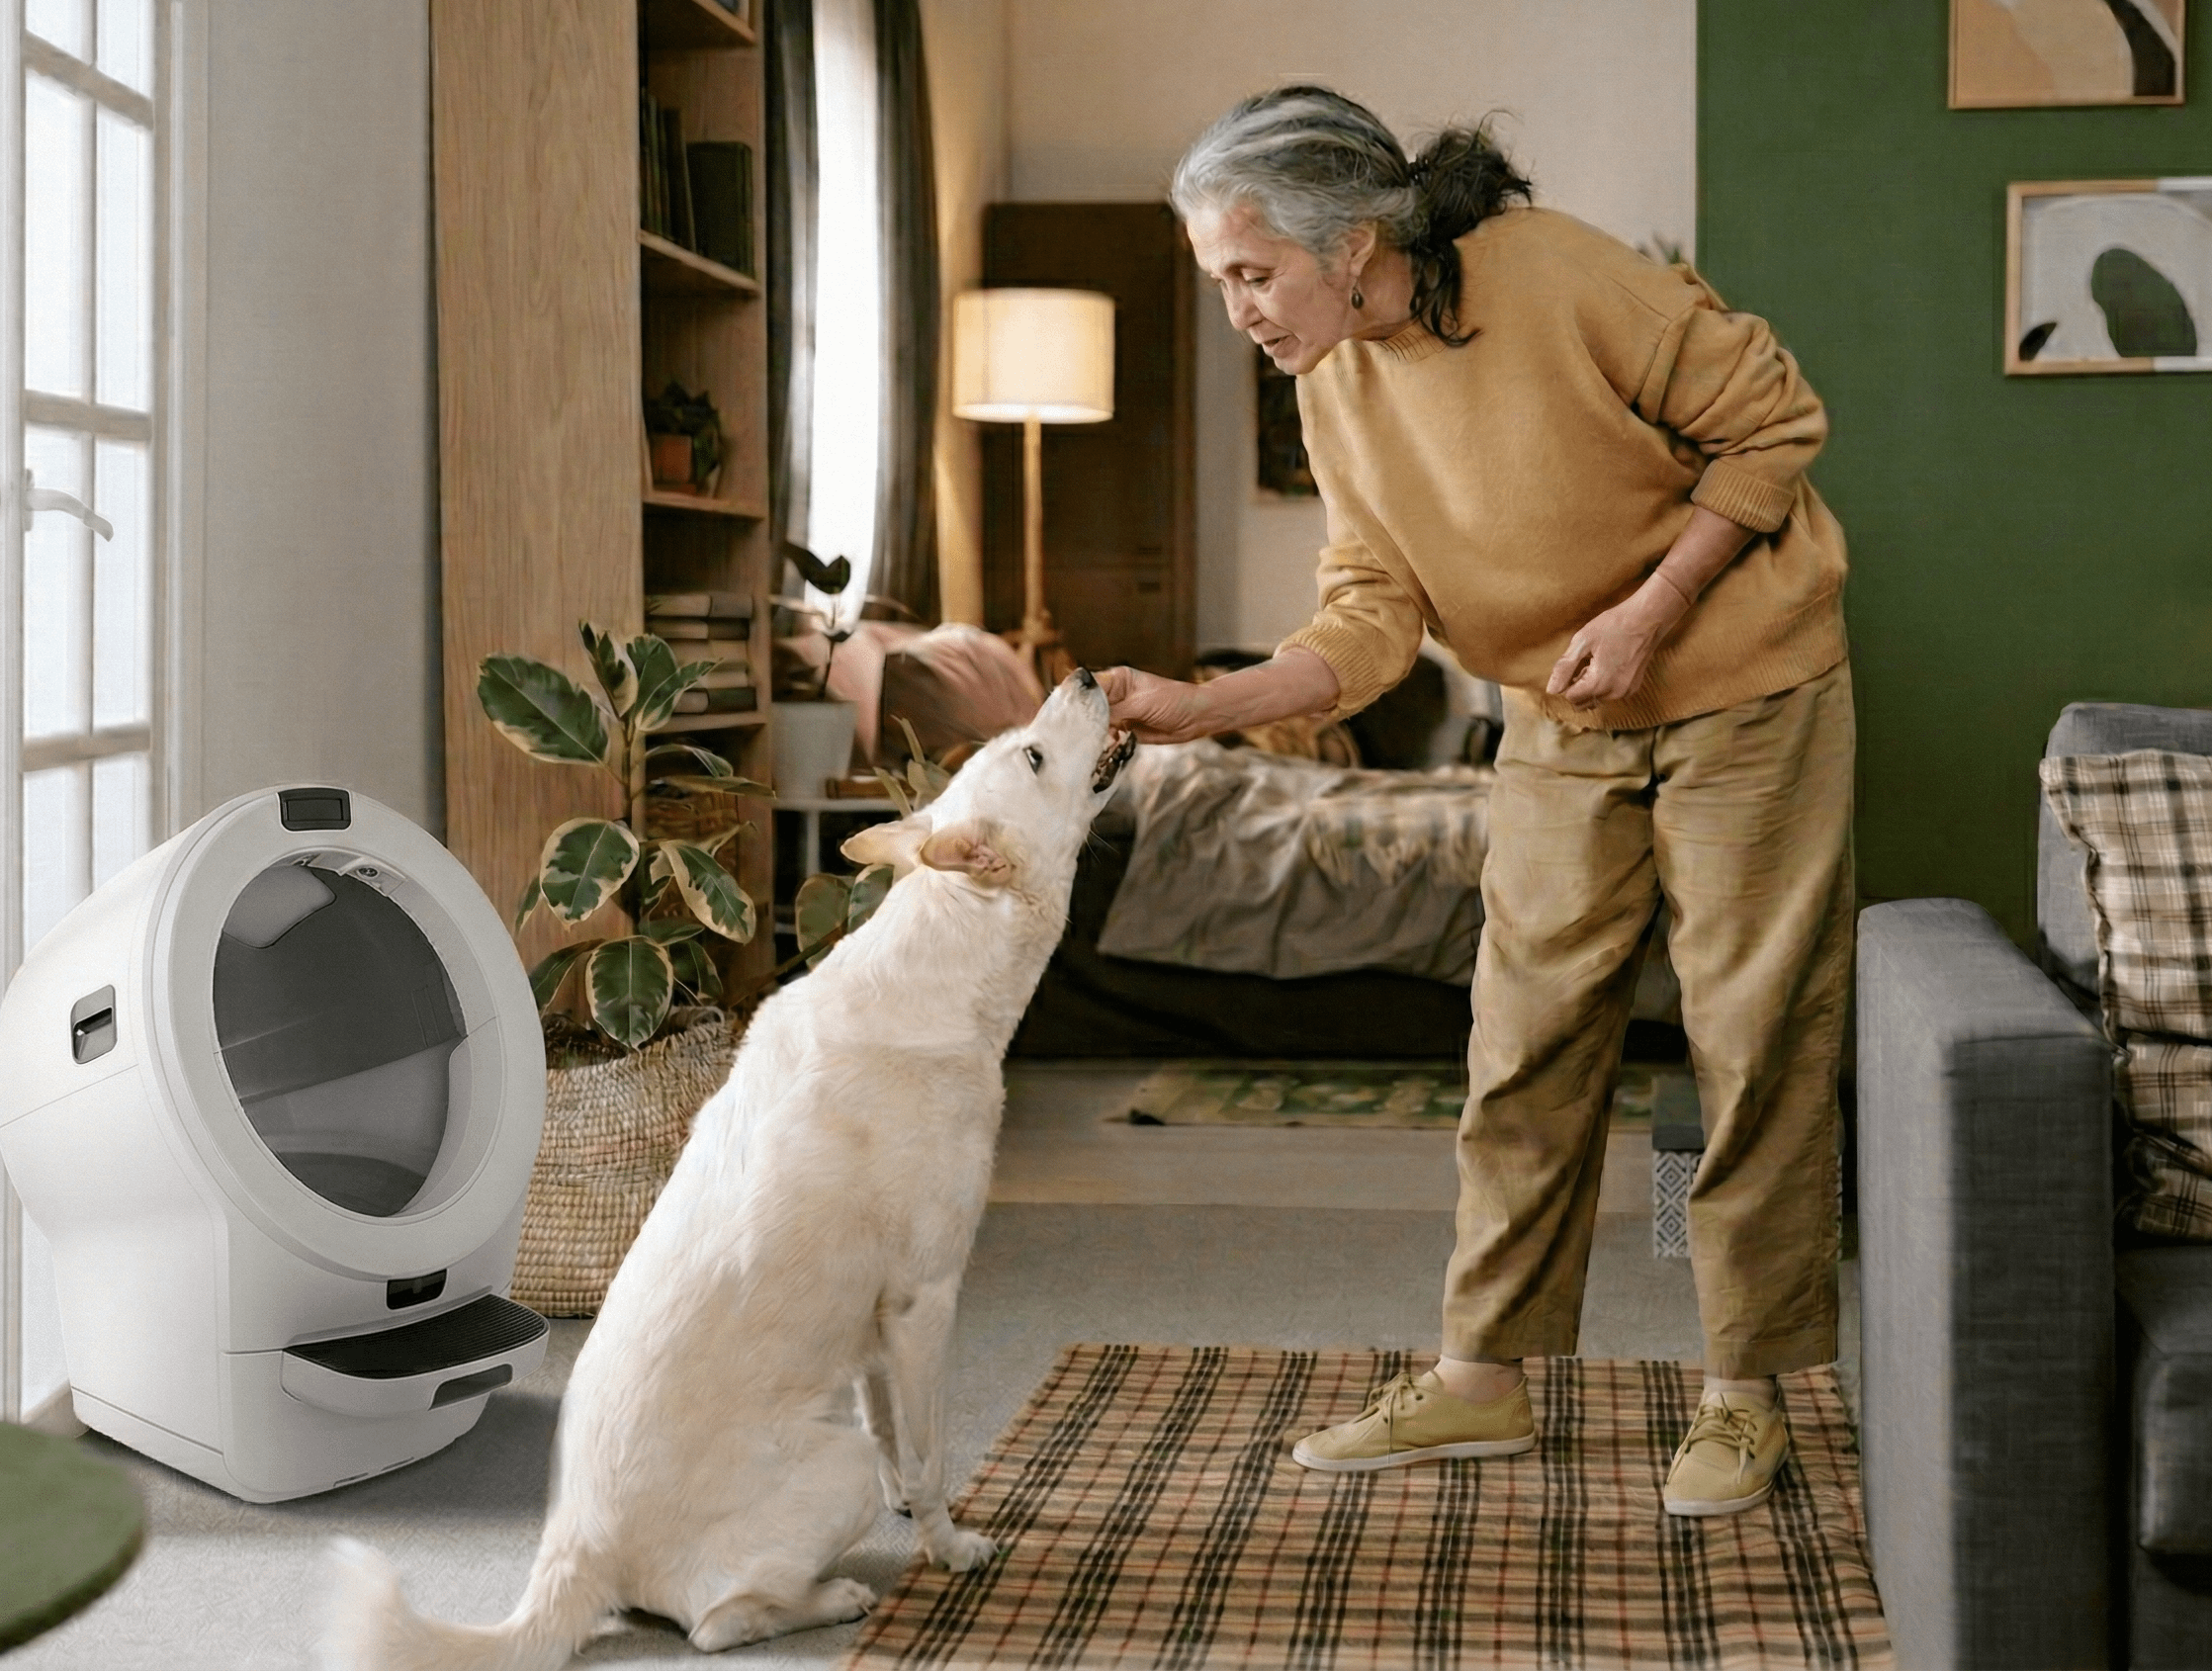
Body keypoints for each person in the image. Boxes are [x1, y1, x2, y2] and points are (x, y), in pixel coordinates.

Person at [1103, 87, 1852, 1520]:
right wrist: (1206, 708)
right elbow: (1372, 615)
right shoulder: (1331, 385)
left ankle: (1747, 1390)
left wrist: (1655, 606)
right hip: (1566, 705)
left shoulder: (1560, 276)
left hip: (1747, 676)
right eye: (1220, 284)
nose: (1239, 312)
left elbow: (1775, 419)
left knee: (1749, 1029)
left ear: (1354, 239)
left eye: (1250, 274)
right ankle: (1484, 1374)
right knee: (1523, 1035)